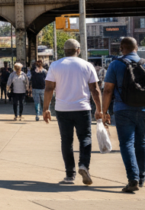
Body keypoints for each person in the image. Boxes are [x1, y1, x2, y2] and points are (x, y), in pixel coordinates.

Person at [101, 37, 145, 193]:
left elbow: (107, 90)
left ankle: (132, 178)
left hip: (122, 109)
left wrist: (105, 111)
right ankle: (141, 178)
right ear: (137, 47)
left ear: (122, 48)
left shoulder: (115, 65)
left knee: (126, 143)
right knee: (141, 142)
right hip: (144, 109)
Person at [43, 39, 102, 186]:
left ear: (65, 50)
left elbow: (49, 88)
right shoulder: (87, 65)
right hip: (82, 108)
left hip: (63, 109)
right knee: (85, 138)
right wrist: (100, 110)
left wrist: (46, 108)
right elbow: (95, 90)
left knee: (66, 141)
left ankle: (70, 175)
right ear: (78, 50)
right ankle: (83, 165)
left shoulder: (55, 65)